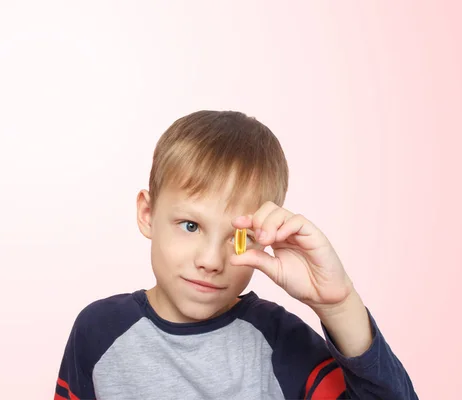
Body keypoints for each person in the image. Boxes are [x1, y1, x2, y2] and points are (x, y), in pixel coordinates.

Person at [54, 110, 419, 400]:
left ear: (263, 239)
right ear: (147, 214)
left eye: (238, 238)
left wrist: (338, 306)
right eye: (191, 226)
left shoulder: (279, 342)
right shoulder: (97, 332)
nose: (211, 260)